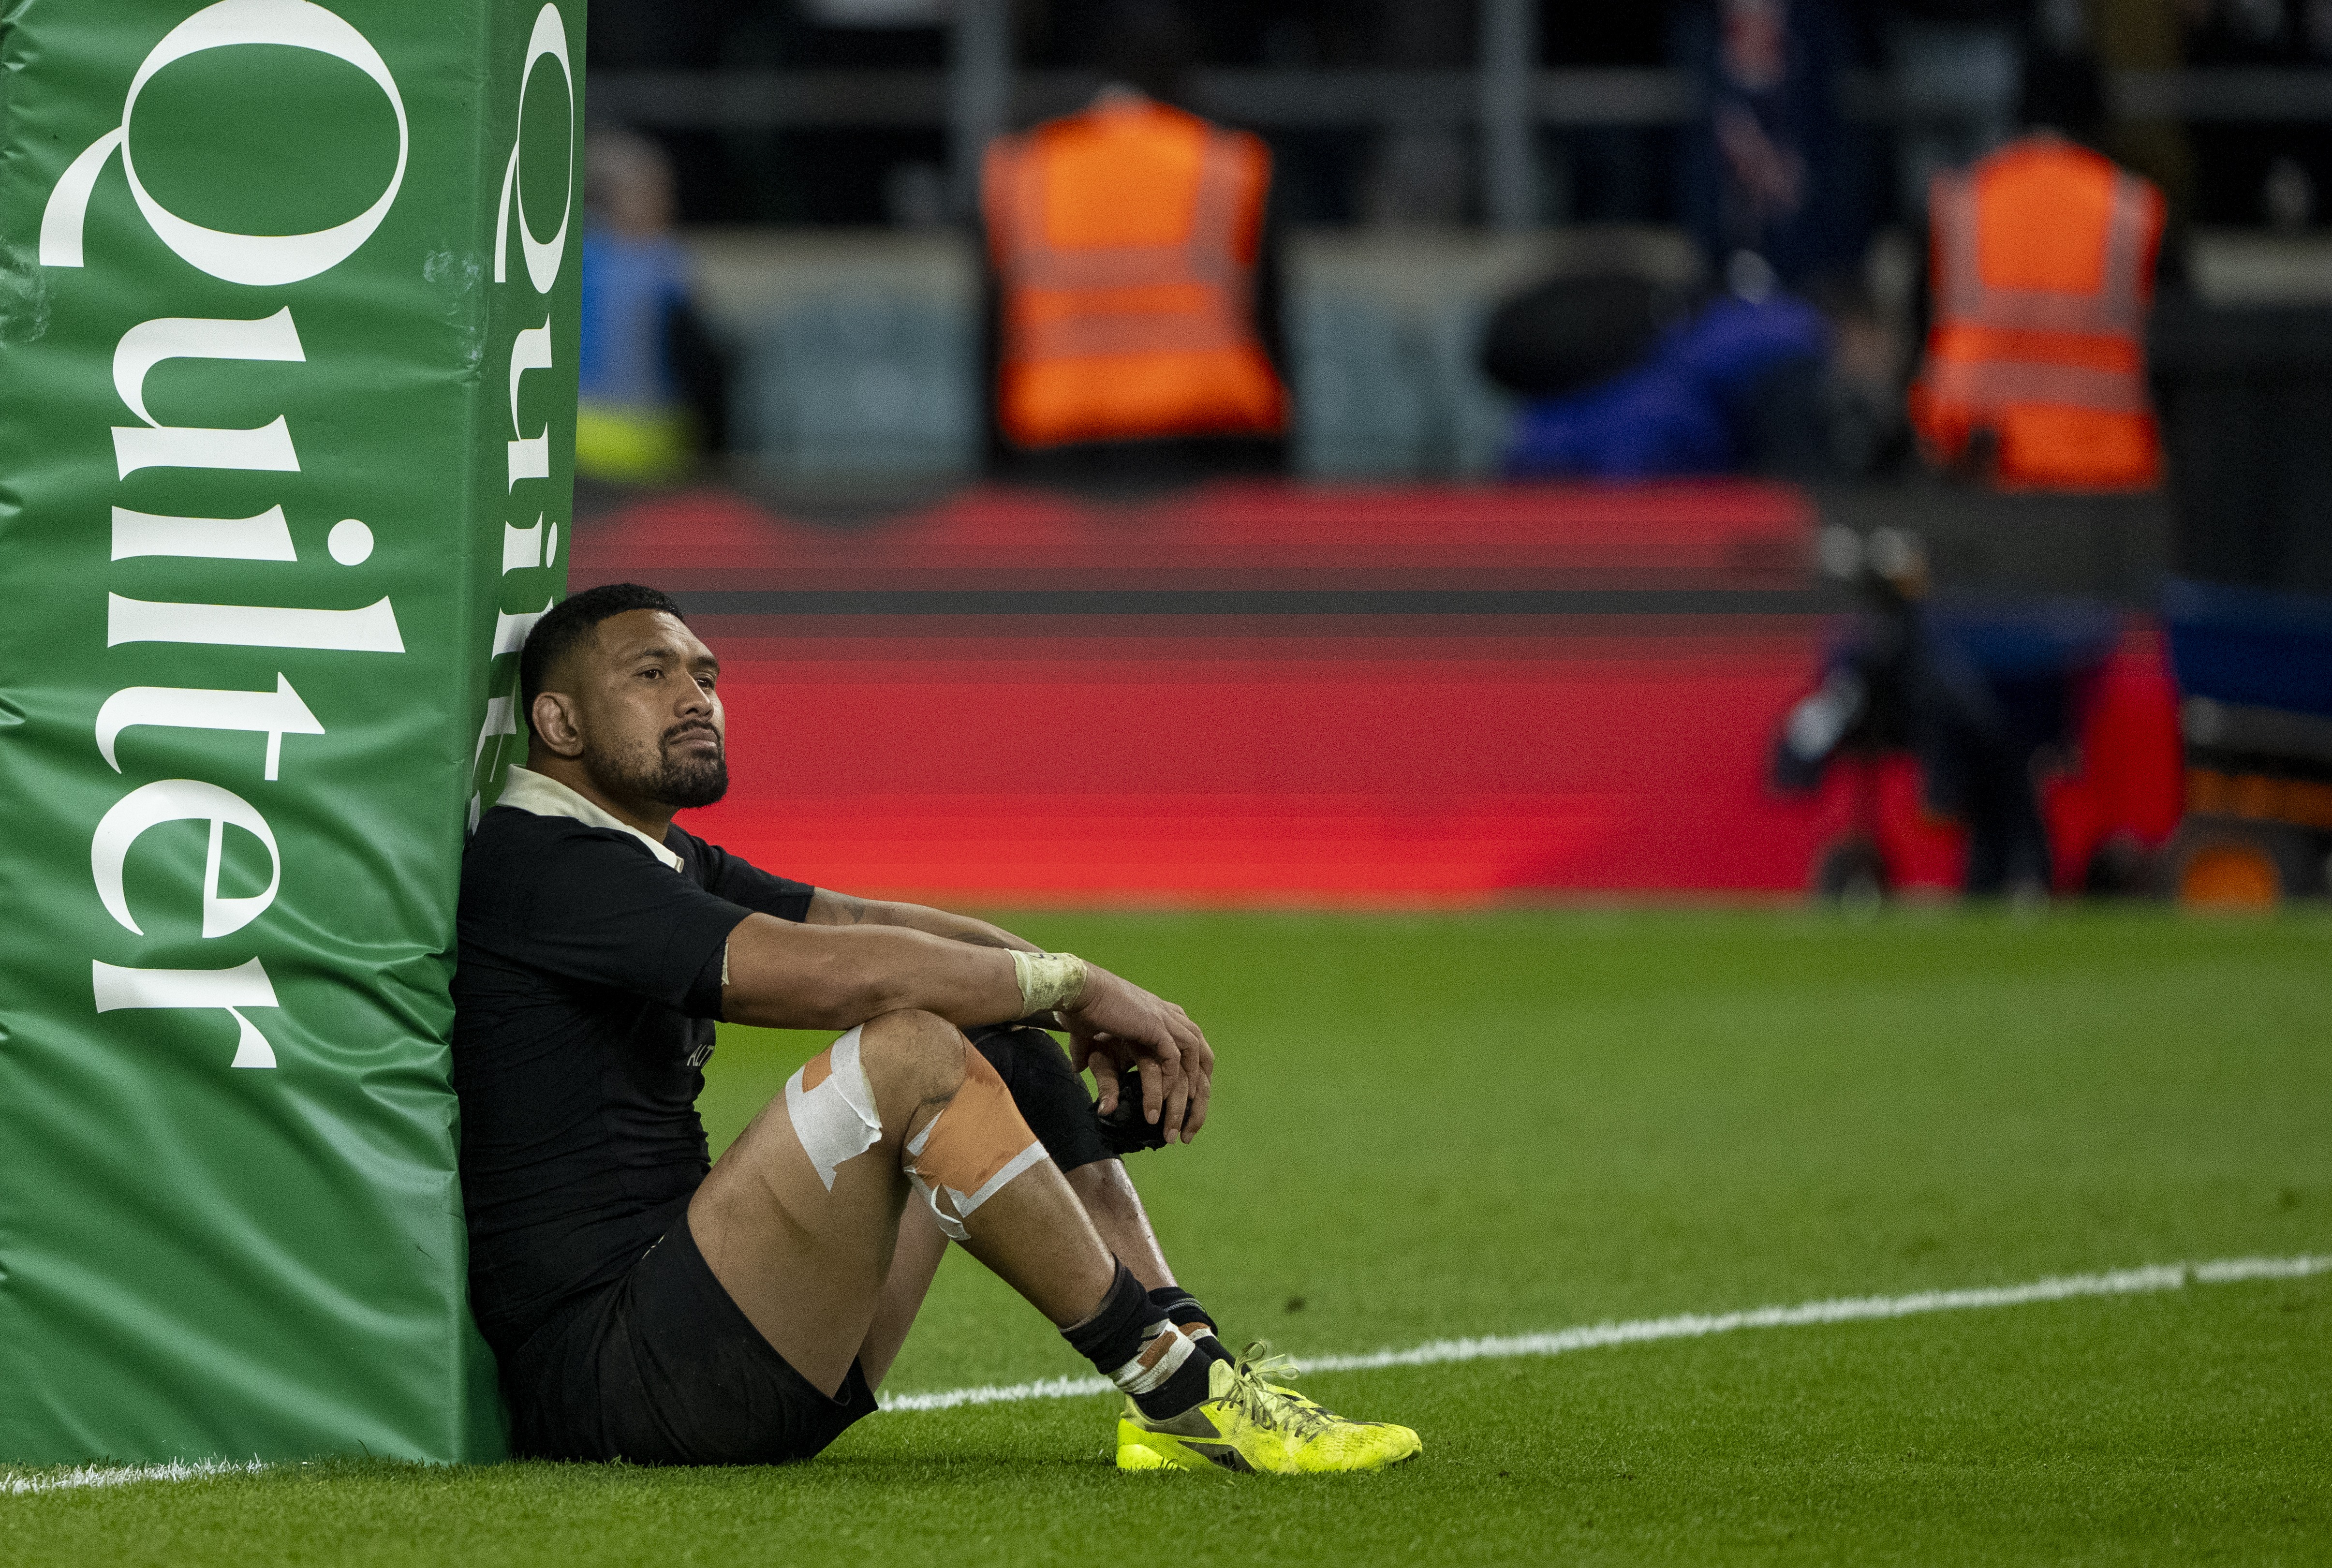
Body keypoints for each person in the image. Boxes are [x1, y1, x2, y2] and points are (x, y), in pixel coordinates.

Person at [452, 582, 1420, 1474]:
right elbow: (837, 977)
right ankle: (1174, 1389)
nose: (695, 696)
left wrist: (1055, 988)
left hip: (732, 1347)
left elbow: (870, 923)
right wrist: (1074, 987)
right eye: (651, 674)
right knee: (911, 1049)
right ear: (558, 720)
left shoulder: (650, 855)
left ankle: (1192, 1364)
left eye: (706, 674)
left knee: (988, 1020)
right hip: (620, 1381)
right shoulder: (541, 862)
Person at [978, 1, 1287, 487]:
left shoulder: (1024, 167)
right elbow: (1271, 329)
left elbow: (994, 339)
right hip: (1208, 445)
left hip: (1056, 452)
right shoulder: (1229, 164)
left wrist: (993, 484)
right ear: (1185, 75)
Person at [1905, 53, 2169, 490]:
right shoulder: (2134, 210)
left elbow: (1920, 338)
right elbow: (2176, 351)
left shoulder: (1963, 203)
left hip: (1974, 469)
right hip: (2107, 479)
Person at [575, 128, 730, 484]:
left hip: (655, 436)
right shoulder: (582, 259)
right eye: (651, 191)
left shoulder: (668, 259)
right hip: (591, 437)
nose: (667, 202)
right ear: (608, 197)